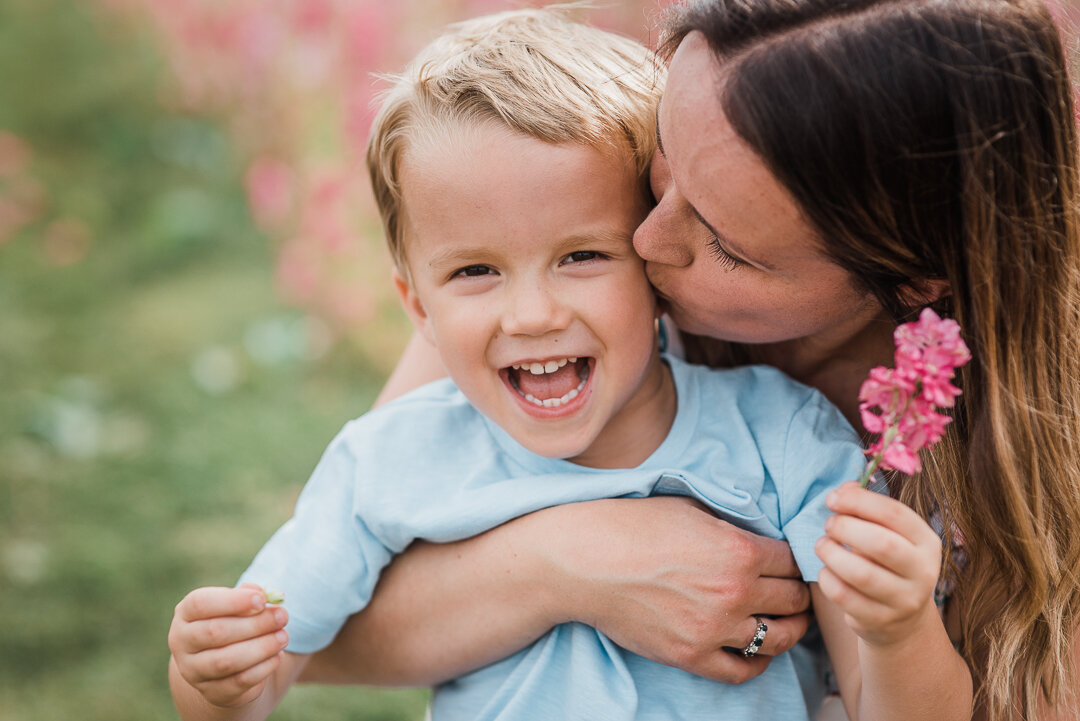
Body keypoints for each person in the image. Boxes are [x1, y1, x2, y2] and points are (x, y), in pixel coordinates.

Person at [166, 7, 973, 721]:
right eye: (475, 271)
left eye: (583, 255)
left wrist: (899, 628)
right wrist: (216, 674)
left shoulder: (784, 436)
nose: (532, 314)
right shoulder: (389, 462)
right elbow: (270, 673)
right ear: (417, 305)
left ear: (653, 266)